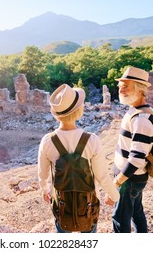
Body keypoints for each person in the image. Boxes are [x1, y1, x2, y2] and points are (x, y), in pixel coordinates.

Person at [38, 84, 120, 233]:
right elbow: (102, 175)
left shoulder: (47, 141)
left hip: (61, 202)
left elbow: (43, 175)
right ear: (80, 111)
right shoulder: (92, 140)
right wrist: (114, 195)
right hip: (88, 203)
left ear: (55, 113)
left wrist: (45, 190)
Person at [112, 66, 153, 233]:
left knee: (120, 218)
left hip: (129, 179)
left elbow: (136, 159)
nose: (120, 89)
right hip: (132, 179)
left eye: (126, 86)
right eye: (120, 86)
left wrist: (116, 183)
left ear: (139, 89)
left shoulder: (142, 119)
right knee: (136, 213)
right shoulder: (136, 111)